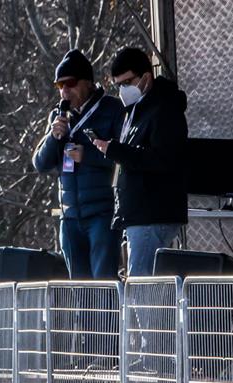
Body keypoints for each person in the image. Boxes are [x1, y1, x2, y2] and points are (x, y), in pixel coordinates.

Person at [92, 47, 188, 279]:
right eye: (118, 85)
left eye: (127, 82)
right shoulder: (137, 111)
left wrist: (115, 150)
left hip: (152, 213)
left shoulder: (164, 109)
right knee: (144, 291)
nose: (123, 90)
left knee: (143, 293)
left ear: (146, 77)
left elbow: (162, 159)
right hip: (139, 213)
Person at [33, 49, 125, 280]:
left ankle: (110, 318)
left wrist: (89, 157)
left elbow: (126, 160)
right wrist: (54, 138)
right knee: (80, 288)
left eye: (70, 83)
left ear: (88, 83)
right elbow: (41, 164)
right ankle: (84, 319)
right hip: (70, 216)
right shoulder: (58, 115)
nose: (65, 91)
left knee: (104, 283)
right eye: (59, 85)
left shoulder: (112, 109)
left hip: (102, 214)